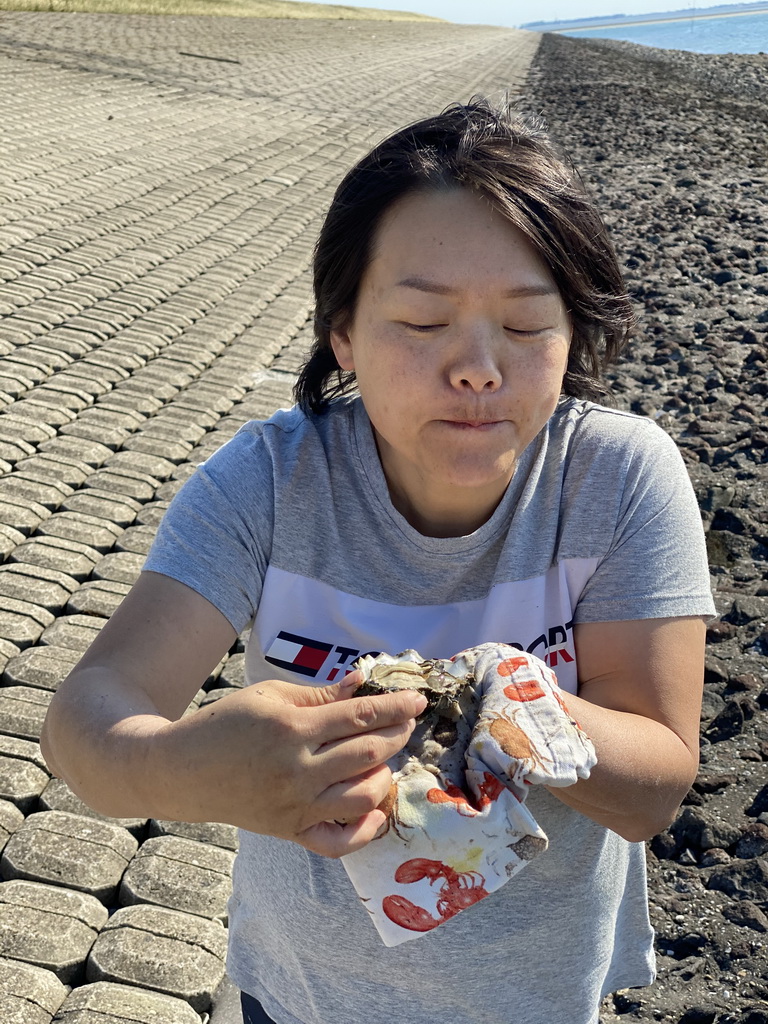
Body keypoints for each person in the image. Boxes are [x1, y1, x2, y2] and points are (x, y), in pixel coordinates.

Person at [41, 99, 714, 1024]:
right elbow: (87, 719)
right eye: (424, 322)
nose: (477, 367)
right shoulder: (272, 481)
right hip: (300, 990)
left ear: (572, 335)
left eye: (525, 326)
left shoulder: (617, 480)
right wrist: (182, 767)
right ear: (343, 332)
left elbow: (655, 789)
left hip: (537, 997)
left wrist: (507, 704)